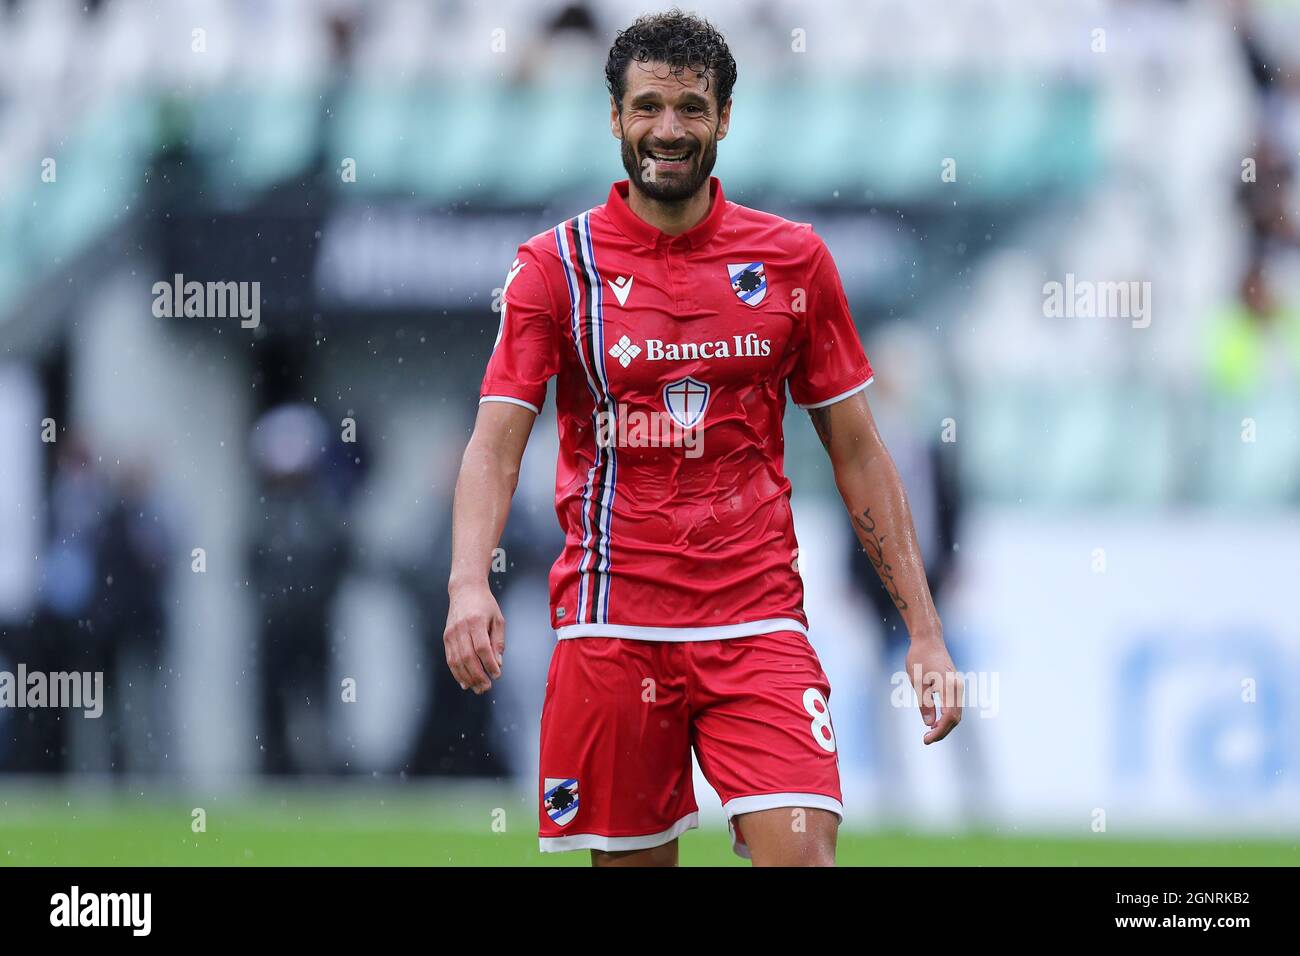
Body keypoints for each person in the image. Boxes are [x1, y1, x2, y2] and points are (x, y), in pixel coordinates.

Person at [443, 10, 962, 867]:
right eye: (647, 107)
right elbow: (495, 443)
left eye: (691, 108)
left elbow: (860, 452)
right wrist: (468, 583)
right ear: (614, 117)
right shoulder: (554, 268)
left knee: (802, 857)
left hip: (757, 620)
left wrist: (925, 630)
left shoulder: (792, 261)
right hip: (610, 625)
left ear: (724, 116)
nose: (668, 130)